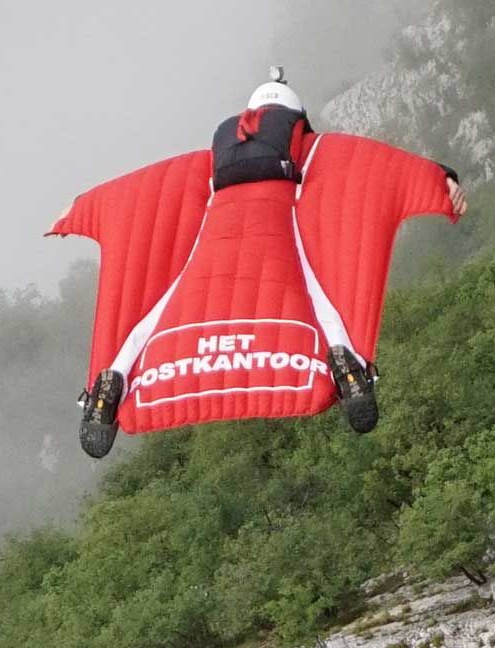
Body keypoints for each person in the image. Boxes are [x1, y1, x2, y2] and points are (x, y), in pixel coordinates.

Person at [53, 75, 461, 457]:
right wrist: (440, 179)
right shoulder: (310, 148)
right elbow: (373, 162)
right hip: (279, 223)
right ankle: (348, 363)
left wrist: (80, 208)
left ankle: (112, 378)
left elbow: (140, 186)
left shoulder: (211, 159)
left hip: (215, 228)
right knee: (320, 298)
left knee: (154, 313)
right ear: (295, 118)